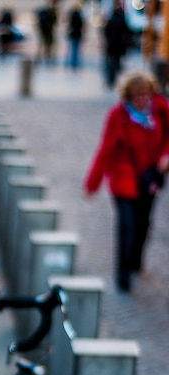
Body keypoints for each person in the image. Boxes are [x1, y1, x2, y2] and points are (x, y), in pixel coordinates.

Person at [83, 71, 169, 292]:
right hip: (124, 178)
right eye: (136, 97)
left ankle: (136, 261)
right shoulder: (118, 115)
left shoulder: (160, 110)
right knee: (127, 226)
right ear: (128, 97)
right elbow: (105, 149)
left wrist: (165, 156)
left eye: (145, 96)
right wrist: (93, 183)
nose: (141, 102)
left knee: (143, 223)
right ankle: (123, 275)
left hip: (150, 176)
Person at [103, 1, 132, 87]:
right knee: (115, 62)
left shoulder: (111, 19)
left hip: (112, 45)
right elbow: (128, 32)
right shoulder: (122, 19)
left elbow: (106, 31)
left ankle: (111, 79)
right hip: (118, 45)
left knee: (112, 62)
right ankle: (114, 78)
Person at [66, 2, 84, 70]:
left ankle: (73, 64)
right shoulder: (78, 15)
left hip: (74, 34)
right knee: (75, 50)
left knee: (74, 50)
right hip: (76, 34)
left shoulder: (74, 15)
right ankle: (74, 64)